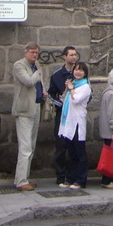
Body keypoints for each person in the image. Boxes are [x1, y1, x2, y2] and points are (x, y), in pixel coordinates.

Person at [11, 43, 45, 191]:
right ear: (26, 53)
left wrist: (43, 91)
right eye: (32, 52)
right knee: (25, 147)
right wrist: (37, 74)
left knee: (31, 144)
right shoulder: (19, 65)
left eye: (37, 53)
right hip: (24, 109)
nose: (35, 55)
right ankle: (20, 181)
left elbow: (38, 83)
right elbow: (29, 81)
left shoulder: (35, 65)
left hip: (36, 106)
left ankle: (25, 177)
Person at [47, 45, 79, 186]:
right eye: (71, 55)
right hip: (62, 115)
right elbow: (51, 95)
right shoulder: (57, 76)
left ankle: (73, 175)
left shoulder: (79, 73)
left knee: (75, 145)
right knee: (61, 146)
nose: (73, 57)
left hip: (76, 114)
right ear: (65, 57)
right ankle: (61, 175)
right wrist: (61, 103)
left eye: (75, 55)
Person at [57, 61, 91, 189]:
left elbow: (76, 100)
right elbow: (63, 99)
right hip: (69, 122)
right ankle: (70, 177)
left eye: (81, 70)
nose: (78, 72)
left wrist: (71, 89)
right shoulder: (74, 84)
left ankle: (80, 179)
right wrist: (67, 88)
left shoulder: (85, 87)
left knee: (79, 152)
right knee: (70, 152)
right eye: (76, 69)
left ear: (85, 73)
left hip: (77, 122)